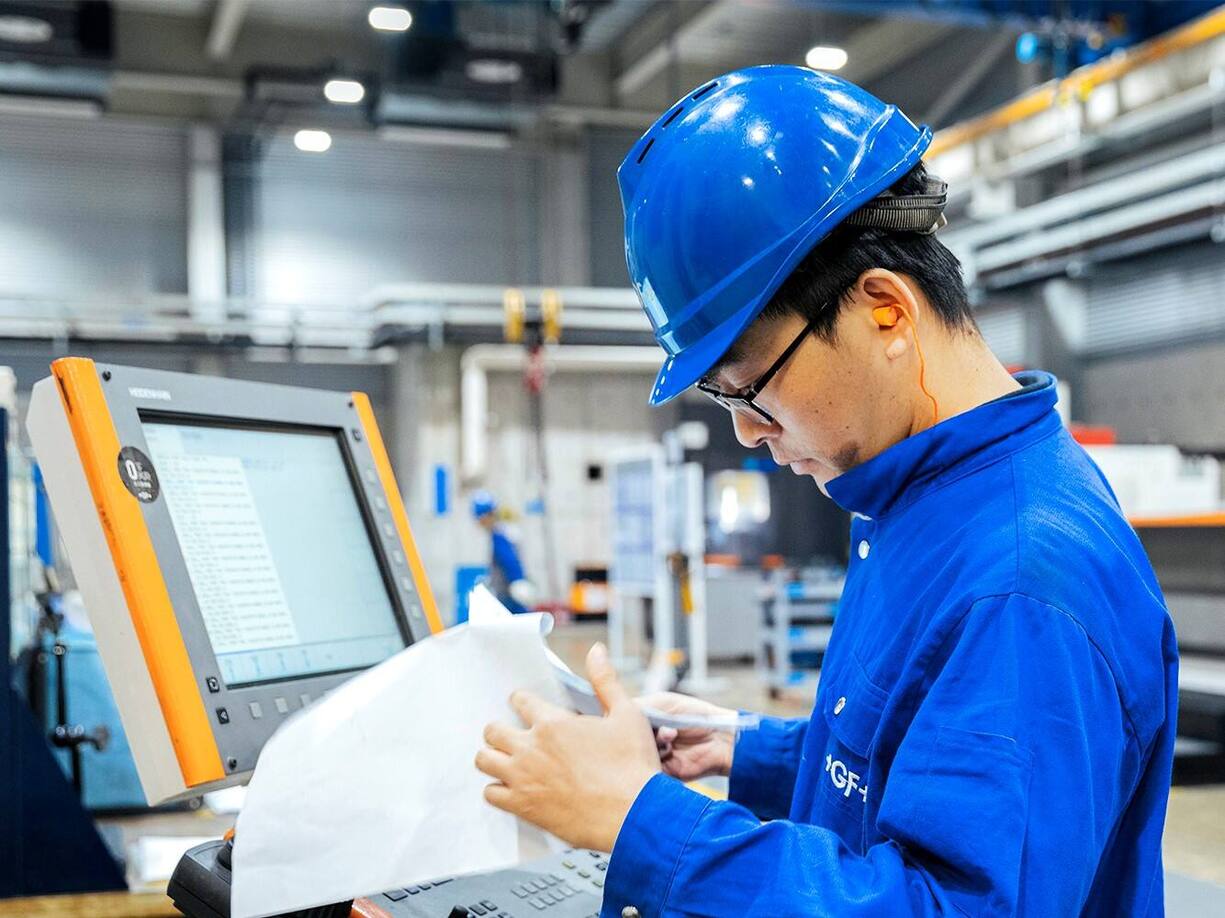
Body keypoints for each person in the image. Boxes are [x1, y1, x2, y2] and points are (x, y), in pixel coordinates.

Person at [475, 66, 1177, 916]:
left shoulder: (1022, 583)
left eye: (750, 387)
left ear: (883, 312)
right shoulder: (924, 502)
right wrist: (739, 748)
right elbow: (918, 757)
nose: (745, 432)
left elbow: (946, 904)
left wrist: (638, 820)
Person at [471, 490, 535, 614]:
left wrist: (517, 581)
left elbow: (509, 560)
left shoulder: (499, 536)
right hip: (508, 593)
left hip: (509, 595)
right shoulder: (502, 533)